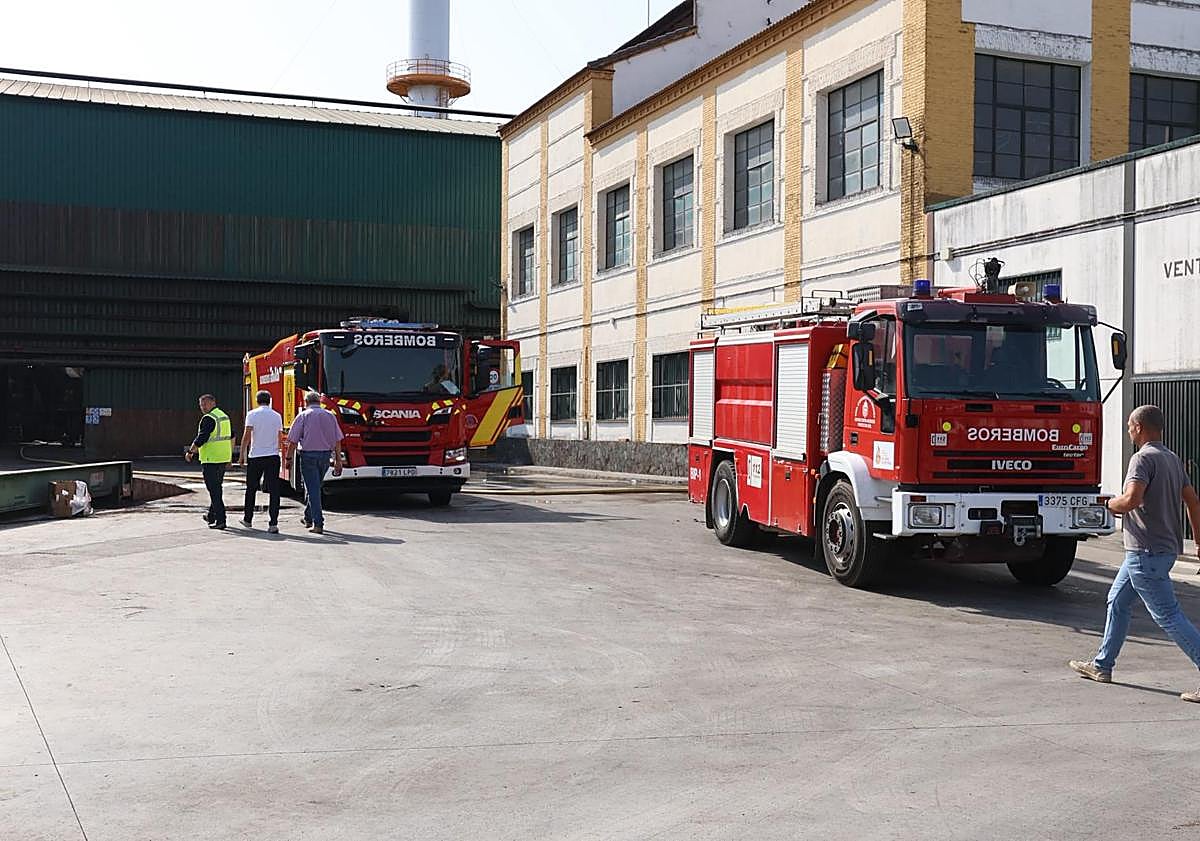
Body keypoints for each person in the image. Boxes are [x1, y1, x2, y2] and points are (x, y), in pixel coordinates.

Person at [1070, 405, 1200, 703]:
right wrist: (1199, 542)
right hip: (1158, 550)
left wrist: (1107, 504)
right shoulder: (1172, 459)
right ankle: (1102, 665)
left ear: (1139, 427)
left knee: (1168, 615)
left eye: (1130, 426)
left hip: (1146, 552)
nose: (1128, 431)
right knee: (1117, 601)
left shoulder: (1142, 459)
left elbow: (1131, 500)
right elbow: (1193, 501)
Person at [286, 391, 344, 535]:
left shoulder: (303, 416)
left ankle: (318, 523)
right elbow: (337, 440)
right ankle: (308, 517)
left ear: (306, 402)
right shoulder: (330, 416)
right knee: (315, 487)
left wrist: (288, 459)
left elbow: (293, 441)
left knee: (313, 490)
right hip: (325, 456)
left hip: (308, 456)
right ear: (319, 402)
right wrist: (338, 460)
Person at [238, 389, 284, 534]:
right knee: (274, 490)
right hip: (272, 456)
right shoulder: (277, 416)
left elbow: (247, 436)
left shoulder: (252, 414)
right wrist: (279, 452)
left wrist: (242, 454)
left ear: (257, 401)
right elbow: (280, 436)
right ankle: (273, 523)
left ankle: (248, 519)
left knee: (251, 488)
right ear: (269, 401)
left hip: (256, 456)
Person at [184, 393, 232, 530]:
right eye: (201, 405)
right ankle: (211, 516)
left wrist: (191, 451)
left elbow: (202, 437)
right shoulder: (223, 416)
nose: (203, 407)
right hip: (222, 458)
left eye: (205, 404)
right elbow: (231, 436)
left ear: (213, 403)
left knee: (214, 490)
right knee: (216, 488)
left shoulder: (209, 418)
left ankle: (221, 520)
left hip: (211, 459)